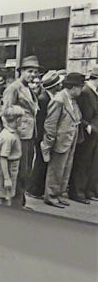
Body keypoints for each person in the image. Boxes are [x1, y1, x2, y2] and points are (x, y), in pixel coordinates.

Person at [2, 55, 41, 204]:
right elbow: (5, 111)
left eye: (35, 72)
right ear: (21, 71)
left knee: (26, 170)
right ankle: (14, 203)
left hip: (29, 134)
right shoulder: (14, 88)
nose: (33, 75)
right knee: (19, 171)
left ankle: (20, 201)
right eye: (29, 71)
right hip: (19, 134)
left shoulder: (28, 88)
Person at [42, 72, 84, 207]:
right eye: (80, 87)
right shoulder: (59, 100)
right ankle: (51, 196)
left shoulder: (71, 99)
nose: (81, 90)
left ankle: (59, 194)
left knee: (65, 169)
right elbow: (50, 124)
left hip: (70, 140)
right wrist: (48, 143)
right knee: (56, 170)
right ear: (74, 87)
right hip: (60, 141)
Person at [28, 70, 64, 199]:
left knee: (42, 161)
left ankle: (36, 188)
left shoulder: (48, 97)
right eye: (59, 83)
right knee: (40, 162)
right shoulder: (44, 99)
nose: (61, 85)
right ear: (54, 86)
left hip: (42, 135)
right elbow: (41, 121)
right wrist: (44, 138)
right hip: (41, 135)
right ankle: (34, 189)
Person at [70, 67, 98, 203]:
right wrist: (87, 126)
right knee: (82, 162)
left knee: (89, 163)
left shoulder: (92, 92)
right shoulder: (86, 92)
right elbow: (79, 113)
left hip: (92, 133)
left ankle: (87, 191)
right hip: (86, 133)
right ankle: (77, 192)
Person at [0, 106, 25, 206]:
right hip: (7, 169)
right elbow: (3, 158)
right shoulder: (8, 137)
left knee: (6, 194)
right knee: (4, 195)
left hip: (10, 167)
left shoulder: (10, 133)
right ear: (18, 120)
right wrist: (7, 178)